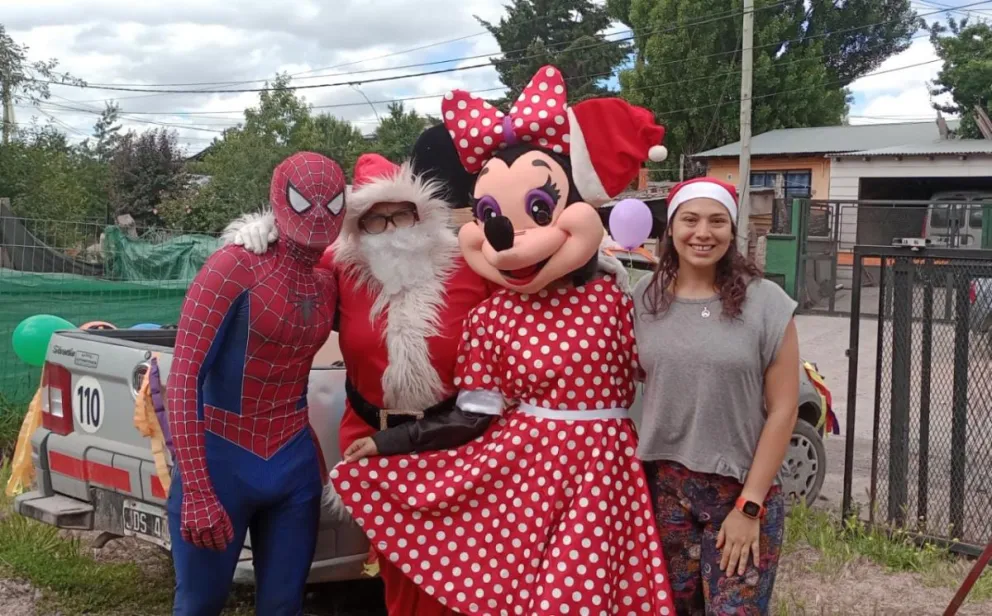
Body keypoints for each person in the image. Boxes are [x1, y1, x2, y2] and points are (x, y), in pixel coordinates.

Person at [330, 64, 678, 616]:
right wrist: (387, 445)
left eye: (538, 210)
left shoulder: (615, 301)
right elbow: (475, 412)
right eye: (491, 214)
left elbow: (672, 366)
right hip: (521, 477)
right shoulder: (491, 315)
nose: (509, 241)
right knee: (514, 594)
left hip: (600, 479)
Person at [223, 147, 491, 616]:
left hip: (455, 443)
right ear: (356, 226)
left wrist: (592, 267)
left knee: (455, 571)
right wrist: (261, 231)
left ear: (421, 213)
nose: (391, 231)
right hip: (371, 439)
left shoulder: (466, 262)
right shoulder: (341, 267)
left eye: (401, 216)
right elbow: (285, 267)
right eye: (374, 220)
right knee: (397, 566)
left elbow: (532, 281)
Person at [166, 152, 345, 615]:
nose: (320, 215)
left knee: (284, 605)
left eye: (333, 203)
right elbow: (184, 376)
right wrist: (198, 490)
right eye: (307, 202)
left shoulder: (329, 281)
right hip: (222, 459)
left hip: (292, 462)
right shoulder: (234, 266)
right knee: (199, 604)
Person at [631, 177, 800, 615]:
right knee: (670, 609)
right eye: (690, 219)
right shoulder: (642, 302)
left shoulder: (767, 303)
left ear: (732, 230)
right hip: (666, 489)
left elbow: (783, 410)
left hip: (741, 490)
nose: (702, 233)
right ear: (670, 229)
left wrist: (750, 506)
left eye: (716, 221)